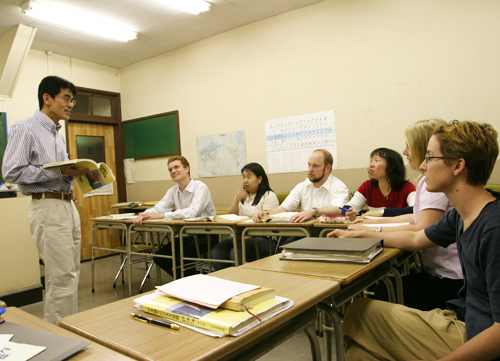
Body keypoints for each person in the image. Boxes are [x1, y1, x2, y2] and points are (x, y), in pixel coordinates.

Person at [328, 120, 500, 361]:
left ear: (458, 165)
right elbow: (417, 237)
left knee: (359, 312)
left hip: (475, 334)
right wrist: (360, 233)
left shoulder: (493, 228)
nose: (421, 165)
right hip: (464, 315)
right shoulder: (460, 216)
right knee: (360, 353)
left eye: (430, 157)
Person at [349, 120, 463, 310]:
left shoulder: (431, 184)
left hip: (451, 278)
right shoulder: (425, 182)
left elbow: (420, 229)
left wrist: (368, 231)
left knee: (384, 292)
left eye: (408, 146)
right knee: (385, 287)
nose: (405, 152)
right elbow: (416, 217)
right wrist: (372, 224)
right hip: (444, 272)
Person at [2, 76, 90, 324]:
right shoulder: (26, 128)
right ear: (47, 98)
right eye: (66, 98)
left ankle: (69, 328)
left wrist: (82, 175)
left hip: (67, 204)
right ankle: (58, 335)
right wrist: (59, 171)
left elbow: (60, 172)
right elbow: (12, 172)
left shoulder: (57, 135)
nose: (71, 104)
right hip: (47, 206)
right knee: (60, 277)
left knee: (71, 274)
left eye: (73, 100)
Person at [133, 155, 216, 277]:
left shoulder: (200, 187)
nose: (173, 171)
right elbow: (158, 207)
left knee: (183, 259)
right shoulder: (173, 191)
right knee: (160, 257)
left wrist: (162, 215)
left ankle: (189, 281)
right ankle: (190, 280)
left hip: (207, 233)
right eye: (170, 169)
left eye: (176, 167)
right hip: (187, 234)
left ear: (187, 169)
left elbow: (191, 212)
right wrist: (142, 215)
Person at [211, 163, 279, 270]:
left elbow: (267, 223)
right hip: (239, 236)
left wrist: (243, 236)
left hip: (264, 238)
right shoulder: (241, 195)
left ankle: (241, 283)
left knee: (237, 252)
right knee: (217, 252)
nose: (245, 180)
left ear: (259, 179)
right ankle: (225, 282)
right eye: (243, 177)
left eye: (249, 177)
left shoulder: (269, 196)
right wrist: (237, 200)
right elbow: (229, 217)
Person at [253, 149, 349, 224]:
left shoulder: (339, 186)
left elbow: (339, 209)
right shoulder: (302, 186)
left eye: (315, 166)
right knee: (284, 246)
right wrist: (266, 213)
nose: (310, 170)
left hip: (328, 233)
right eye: (309, 165)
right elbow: (284, 207)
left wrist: (313, 211)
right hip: (305, 233)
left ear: (328, 168)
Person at [343, 148, 416, 221]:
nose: (371, 165)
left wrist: (382, 212)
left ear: (391, 166)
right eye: (371, 161)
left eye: (377, 160)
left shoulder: (407, 187)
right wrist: (349, 212)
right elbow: (346, 208)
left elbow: (416, 209)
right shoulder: (367, 186)